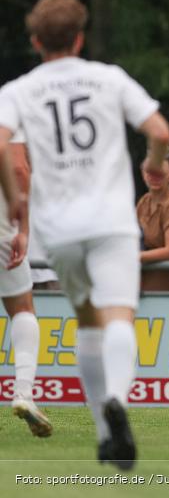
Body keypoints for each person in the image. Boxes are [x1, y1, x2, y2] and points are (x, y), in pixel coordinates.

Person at [0, 0, 169, 469]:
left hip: (59, 229)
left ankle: (104, 432)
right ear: (80, 38)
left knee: (87, 321)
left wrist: (14, 197)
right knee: (119, 316)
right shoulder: (108, 78)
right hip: (112, 222)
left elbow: (0, 143)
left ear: (36, 41)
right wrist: (154, 166)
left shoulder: (18, 90)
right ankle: (116, 398)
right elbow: (159, 132)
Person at [2, 137, 51, 436]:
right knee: (22, 308)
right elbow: (19, 168)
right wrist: (23, 228)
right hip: (2, 224)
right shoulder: (7, 111)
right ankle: (23, 393)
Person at [136, 154, 169, 292]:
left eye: (161, 173)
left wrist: (135, 256)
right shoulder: (144, 201)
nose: (154, 177)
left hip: (167, 286)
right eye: (150, 172)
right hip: (143, 283)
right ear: (143, 174)